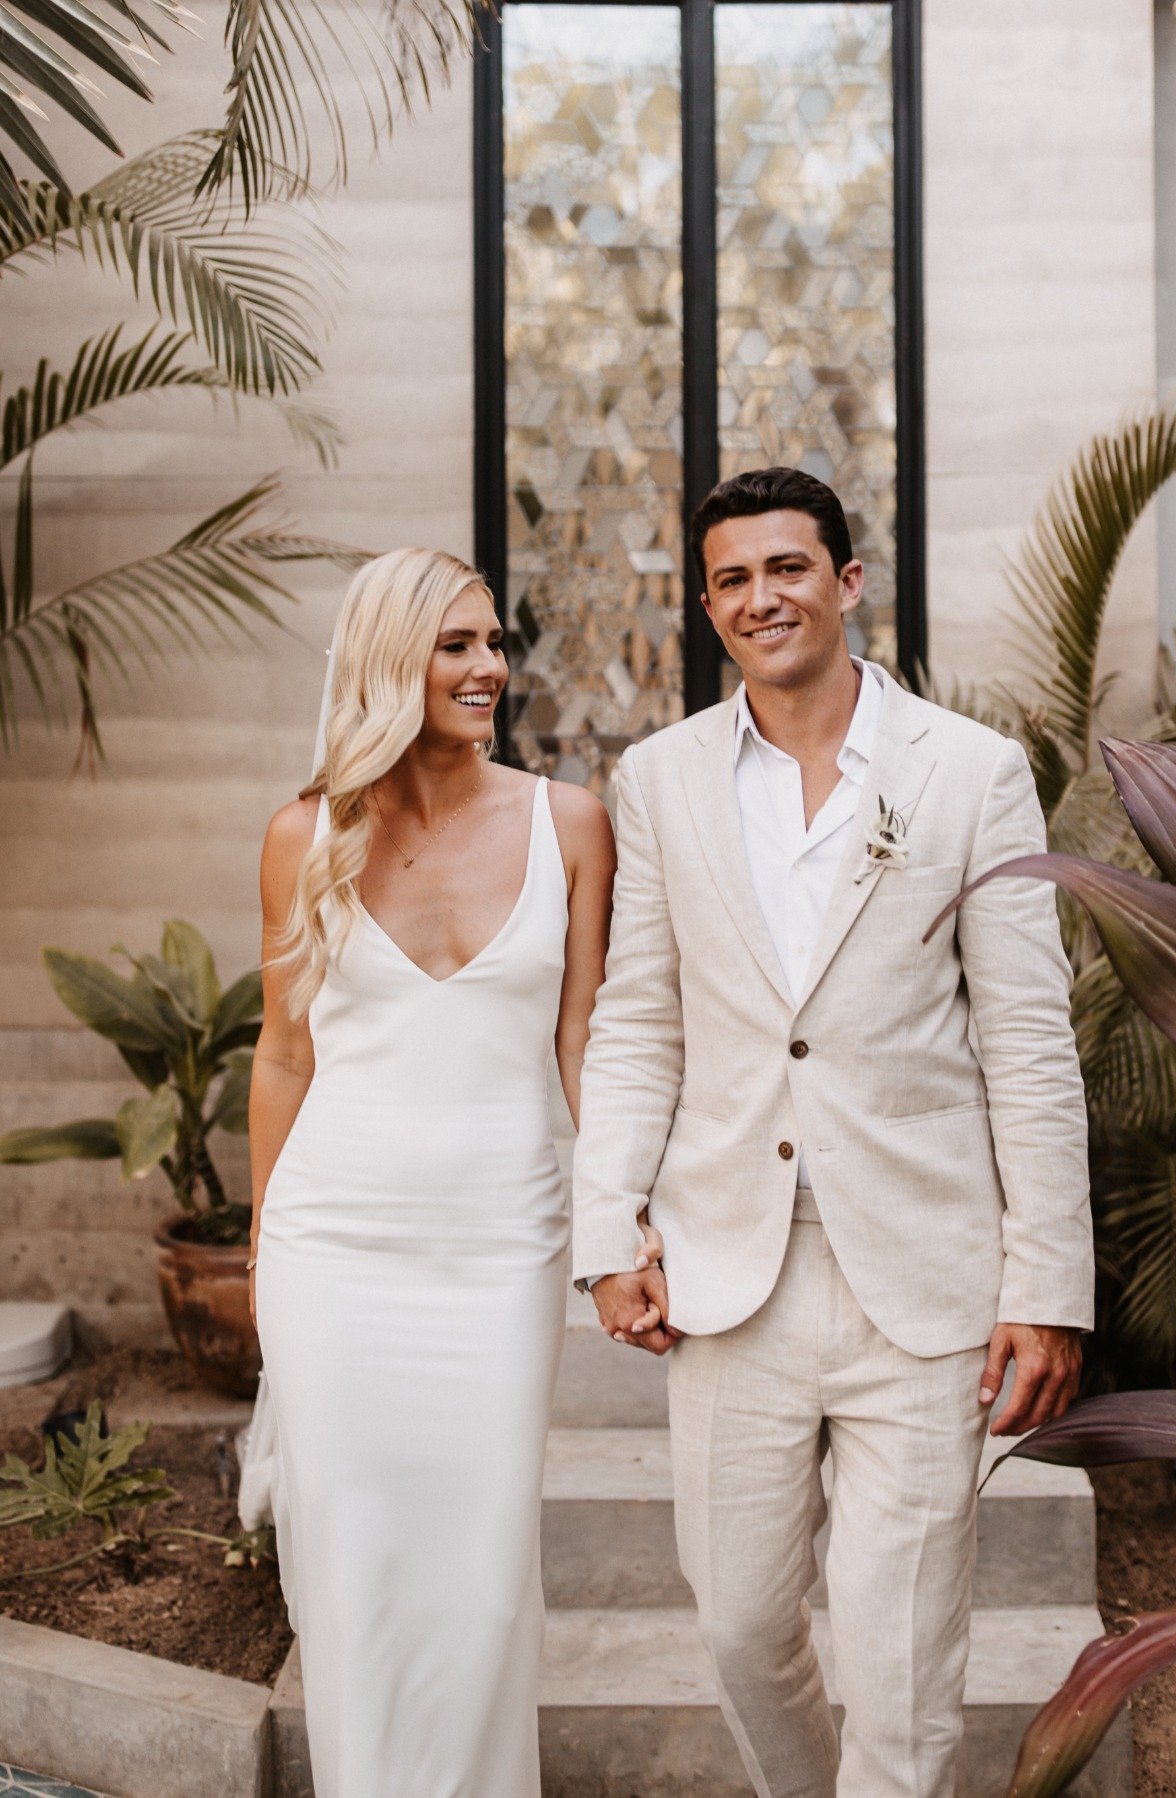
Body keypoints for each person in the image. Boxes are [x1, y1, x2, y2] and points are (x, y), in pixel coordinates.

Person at [571, 467, 1094, 1798]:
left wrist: (1048, 1285)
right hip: (727, 1269)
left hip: (923, 1279)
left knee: (904, 1663)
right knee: (745, 1627)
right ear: (708, 605)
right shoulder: (660, 779)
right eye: (733, 578)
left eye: (788, 568)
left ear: (847, 581)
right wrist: (606, 1225)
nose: (763, 597)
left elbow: (1028, 1040)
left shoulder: (970, 772)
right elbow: (640, 1019)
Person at [246, 547, 659, 1798]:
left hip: (497, 1248)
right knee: (355, 1570)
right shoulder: (303, 835)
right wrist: (267, 1248)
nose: (490, 668)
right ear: (388, 662)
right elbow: (283, 1053)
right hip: (332, 1250)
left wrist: (623, 1220)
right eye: (457, 646)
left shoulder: (570, 822)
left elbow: (587, 1040)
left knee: (481, 1584)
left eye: (493, 642)